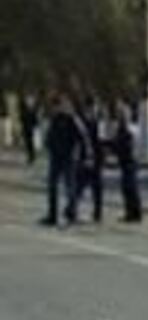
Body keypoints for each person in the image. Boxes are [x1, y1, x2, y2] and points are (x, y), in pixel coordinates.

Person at [39, 95, 89, 227]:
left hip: (69, 158)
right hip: (56, 157)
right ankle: (52, 215)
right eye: (54, 107)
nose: (55, 109)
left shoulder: (71, 119)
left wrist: (82, 155)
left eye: (57, 106)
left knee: (70, 187)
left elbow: (82, 137)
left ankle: (72, 214)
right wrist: (49, 146)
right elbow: (49, 136)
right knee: (52, 186)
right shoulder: (55, 120)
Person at [67, 99, 106, 224]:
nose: (92, 111)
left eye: (93, 108)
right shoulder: (82, 122)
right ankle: (72, 210)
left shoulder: (98, 122)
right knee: (80, 186)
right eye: (90, 109)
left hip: (96, 159)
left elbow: (101, 141)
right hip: (85, 159)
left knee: (97, 187)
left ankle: (97, 213)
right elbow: (79, 140)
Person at [112, 104, 142, 223]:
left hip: (130, 161)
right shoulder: (121, 129)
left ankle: (135, 213)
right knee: (127, 189)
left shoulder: (129, 129)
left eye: (122, 115)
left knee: (131, 188)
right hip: (125, 162)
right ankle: (131, 212)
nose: (120, 117)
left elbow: (129, 145)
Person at [19, 96, 39, 166]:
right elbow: (22, 121)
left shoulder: (31, 112)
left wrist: (33, 127)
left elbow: (35, 121)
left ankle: (32, 156)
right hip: (26, 129)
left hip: (29, 130)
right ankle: (31, 156)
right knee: (28, 144)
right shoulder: (25, 112)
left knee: (30, 144)